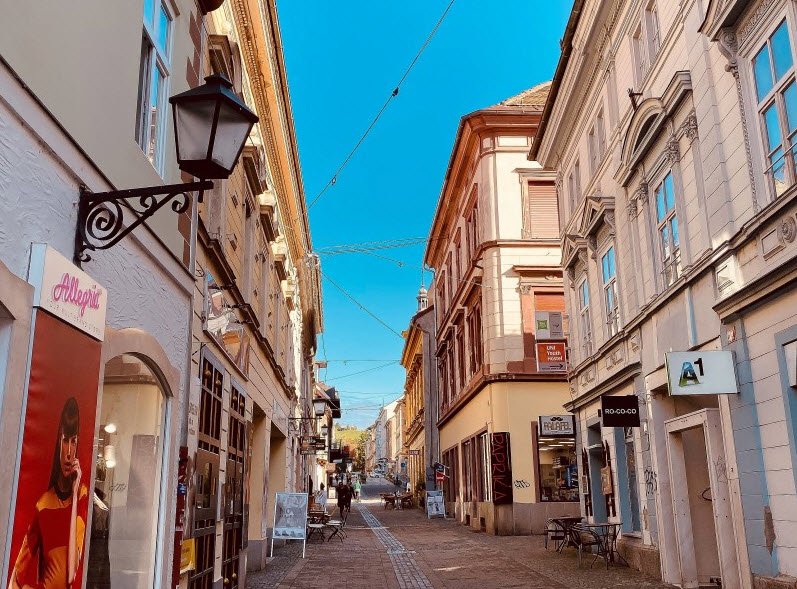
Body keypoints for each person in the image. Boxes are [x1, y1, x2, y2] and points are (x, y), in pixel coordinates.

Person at [9, 397, 89, 589]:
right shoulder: (44, 504)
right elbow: (16, 577)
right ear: (58, 442)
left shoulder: (82, 495)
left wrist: (74, 494)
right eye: (65, 441)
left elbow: (71, 574)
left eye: (74, 441)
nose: (69, 452)